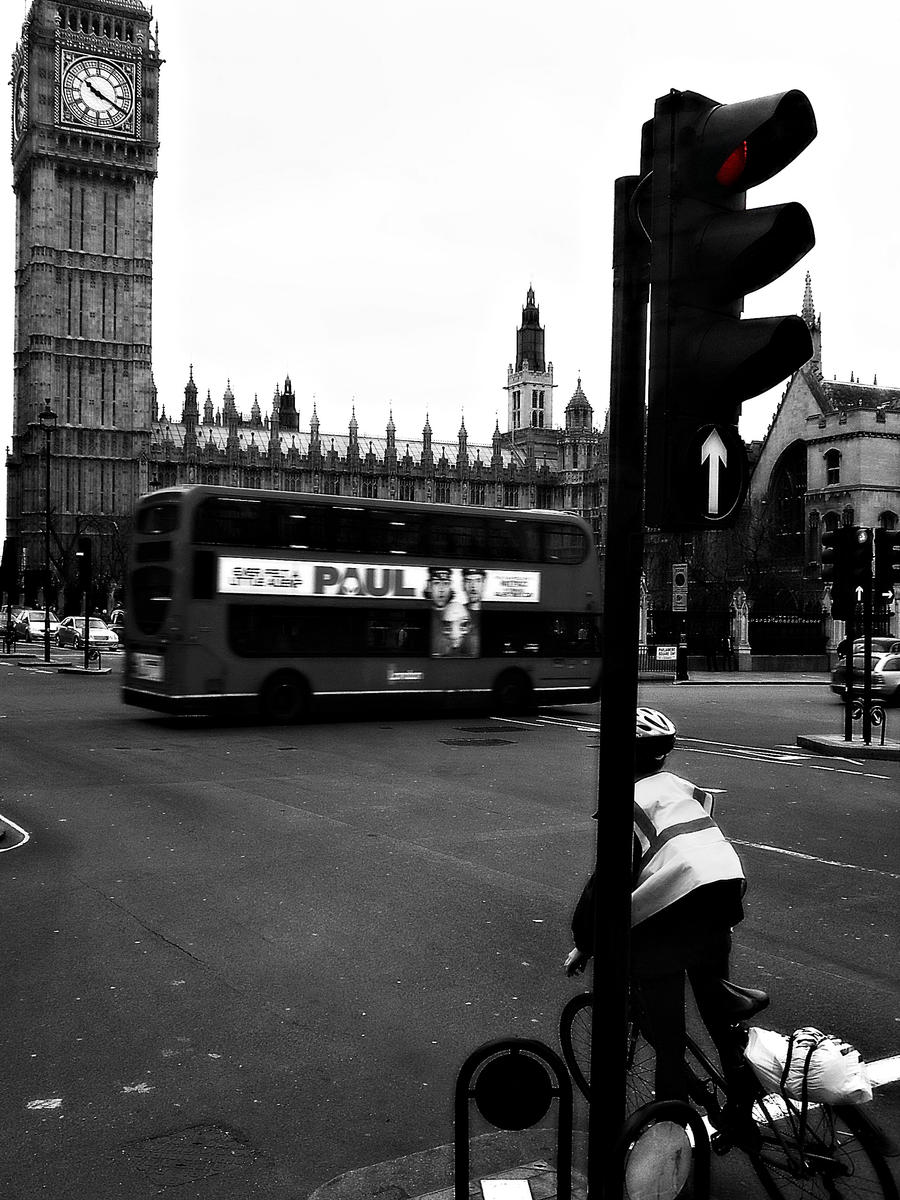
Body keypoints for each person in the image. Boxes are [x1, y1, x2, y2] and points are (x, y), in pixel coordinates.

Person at [565, 707, 756, 1136]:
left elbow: (607, 885)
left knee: (669, 1041)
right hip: (722, 896)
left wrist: (586, 942)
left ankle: (672, 1137)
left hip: (675, 914)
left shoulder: (627, 802)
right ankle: (743, 1109)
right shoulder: (681, 788)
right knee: (718, 1015)